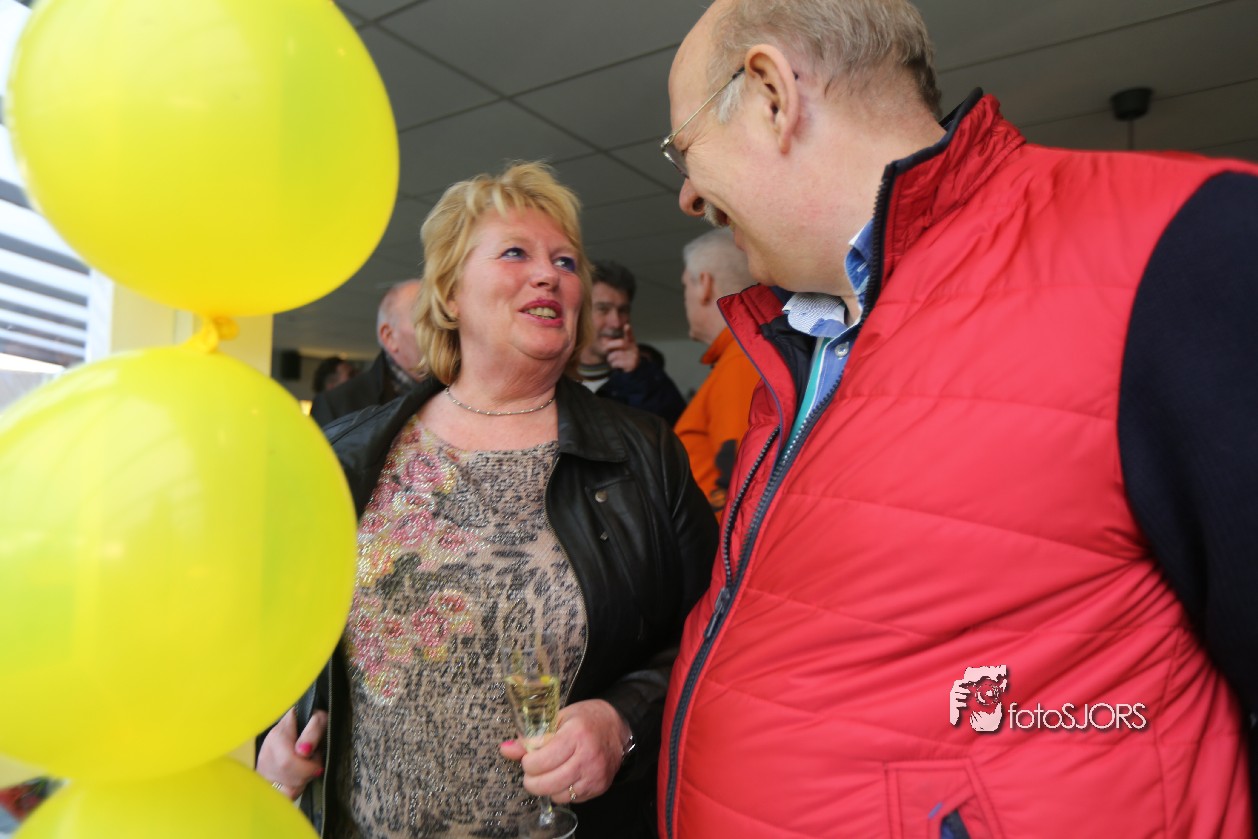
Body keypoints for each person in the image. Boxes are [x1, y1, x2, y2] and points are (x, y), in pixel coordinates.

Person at [658, 1, 1258, 837]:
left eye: (684, 147)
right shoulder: (797, 348)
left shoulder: (1186, 246)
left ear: (770, 93)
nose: (688, 194)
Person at [258, 162, 717, 839]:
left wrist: (623, 720)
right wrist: (279, 733)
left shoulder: (642, 453)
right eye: (515, 253)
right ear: (449, 295)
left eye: (566, 261)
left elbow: (717, 629)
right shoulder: (349, 451)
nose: (550, 275)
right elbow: (284, 633)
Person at [672, 228, 759, 514]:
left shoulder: (741, 361)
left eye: (685, 287)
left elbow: (742, 490)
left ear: (704, 285)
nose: (685, 299)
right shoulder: (739, 356)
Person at [577, 260, 687, 424]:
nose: (616, 322)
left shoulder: (648, 379)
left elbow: (671, 432)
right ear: (577, 313)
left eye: (623, 310)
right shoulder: (552, 377)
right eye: (603, 309)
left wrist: (636, 377)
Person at [310, 279, 424, 426]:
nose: (443, 328)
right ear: (390, 337)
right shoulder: (336, 405)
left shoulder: (450, 392)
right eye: (426, 319)